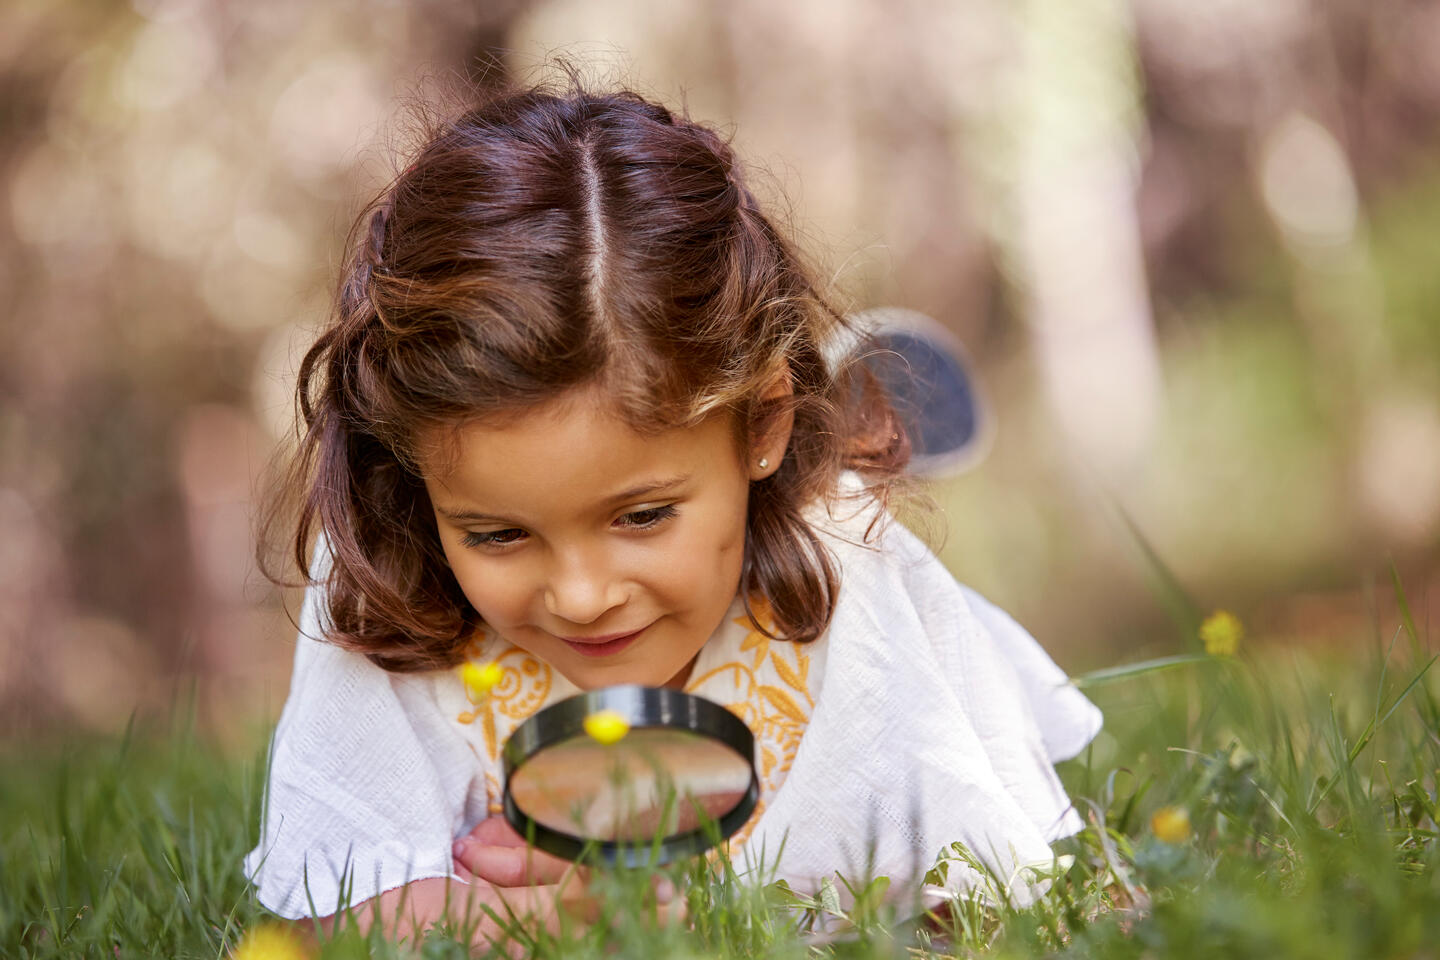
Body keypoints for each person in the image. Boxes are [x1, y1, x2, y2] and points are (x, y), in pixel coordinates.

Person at [243, 73, 1102, 947]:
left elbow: (992, 895)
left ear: (764, 422)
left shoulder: (852, 583)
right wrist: (539, 917)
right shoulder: (387, 592)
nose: (580, 595)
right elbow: (329, 916)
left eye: (642, 516)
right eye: (497, 535)